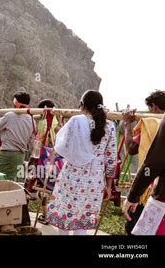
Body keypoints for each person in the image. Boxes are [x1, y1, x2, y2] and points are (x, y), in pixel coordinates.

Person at [45, 90, 117, 235]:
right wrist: (109, 186)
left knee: (65, 214)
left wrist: (60, 131)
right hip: (95, 180)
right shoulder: (109, 126)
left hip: (72, 175)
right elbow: (111, 158)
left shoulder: (76, 121)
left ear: (82, 105)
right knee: (83, 218)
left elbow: (62, 147)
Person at [122, 90, 165, 234]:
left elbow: (132, 148)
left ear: (153, 106)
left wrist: (127, 124)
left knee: (134, 225)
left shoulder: (151, 124)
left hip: (150, 187)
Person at [0, 91, 36, 181]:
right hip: (20, 155)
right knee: (10, 180)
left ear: (16, 103)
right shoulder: (32, 120)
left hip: (7, 153)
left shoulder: (10, 116)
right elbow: (31, 140)